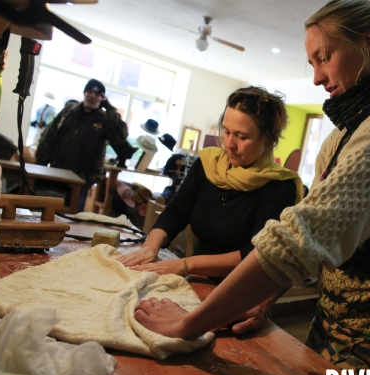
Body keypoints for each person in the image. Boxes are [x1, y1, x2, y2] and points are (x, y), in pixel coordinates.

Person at [133, 1, 370, 375]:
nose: (317, 78)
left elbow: (298, 240)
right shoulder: (345, 133)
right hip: (336, 315)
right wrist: (266, 300)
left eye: (324, 58)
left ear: (368, 42)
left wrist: (187, 324)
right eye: (311, 63)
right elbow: (314, 231)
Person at [118, 86, 305, 280]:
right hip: (197, 275)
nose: (229, 144)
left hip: (241, 286)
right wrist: (150, 246)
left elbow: (255, 254)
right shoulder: (209, 165)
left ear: (268, 138)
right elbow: (176, 212)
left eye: (242, 137)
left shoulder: (279, 187)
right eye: (226, 131)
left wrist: (186, 265)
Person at [35, 79, 137, 211]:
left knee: (73, 217)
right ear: (84, 93)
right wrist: (40, 162)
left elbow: (121, 134)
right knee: (49, 211)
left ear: (102, 98)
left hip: (82, 179)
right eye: (90, 91)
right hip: (56, 172)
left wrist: (110, 108)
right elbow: (49, 135)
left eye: (98, 94)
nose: (92, 96)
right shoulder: (69, 111)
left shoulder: (105, 119)